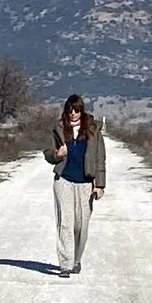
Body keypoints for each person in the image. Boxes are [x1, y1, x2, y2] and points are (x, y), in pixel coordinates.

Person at [42, 91, 107, 276]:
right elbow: (47, 152)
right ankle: (65, 265)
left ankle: (76, 260)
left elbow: (100, 158)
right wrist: (57, 155)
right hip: (64, 181)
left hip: (86, 182)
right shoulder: (58, 129)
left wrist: (100, 184)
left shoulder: (93, 130)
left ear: (81, 111)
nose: (73, 113)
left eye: (76, 110)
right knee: (65, 223)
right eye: (70, 110)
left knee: (81, 225)